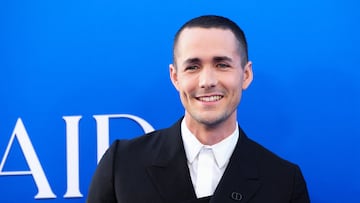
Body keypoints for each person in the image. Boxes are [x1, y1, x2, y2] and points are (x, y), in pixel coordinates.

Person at [87, 15, 310, 203]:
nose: (207, 81)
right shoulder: (122, 164)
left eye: (222, 64)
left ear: (246, 74)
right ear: (175, 77)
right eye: (193, 67)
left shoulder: (283, 181)